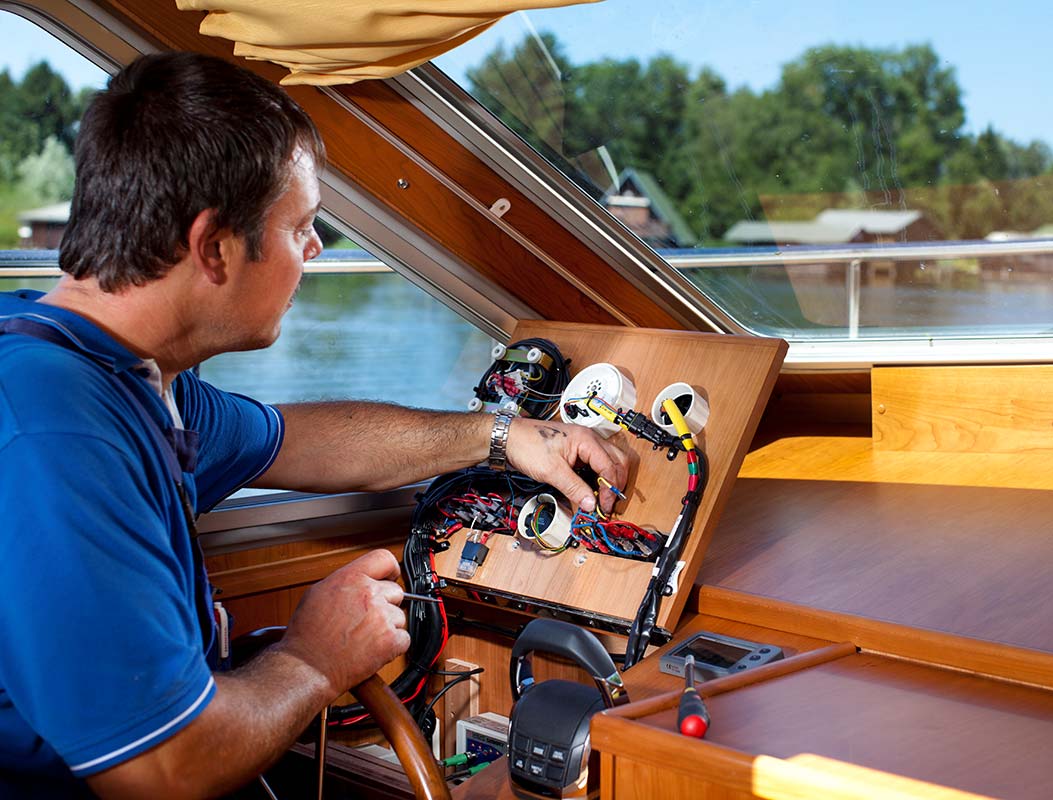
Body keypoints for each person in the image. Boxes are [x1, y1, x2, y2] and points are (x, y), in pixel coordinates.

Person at [0, 51, 627, 799]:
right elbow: (161, 770)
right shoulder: (57, 431)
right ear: (213, 247)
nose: (315, 250)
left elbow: (296, 438)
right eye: (299, 225)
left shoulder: (123, 372)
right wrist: (315, 660)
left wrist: (501, 436)